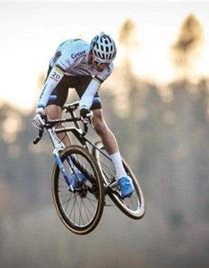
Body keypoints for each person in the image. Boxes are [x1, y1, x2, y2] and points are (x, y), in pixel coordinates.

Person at [32, 33, 134, 198]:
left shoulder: (107, 67)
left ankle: (122, 176)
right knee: (53, 116)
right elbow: (51, 82)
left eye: (104, 65)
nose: (100, 67)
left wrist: (85, 108)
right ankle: (74, 168)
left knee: (99, 120)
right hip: (60, 76)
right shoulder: (73, 53)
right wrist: (39, 108)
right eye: (98, 63)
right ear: (91, 53)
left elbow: (91, 90)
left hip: (83, 78)